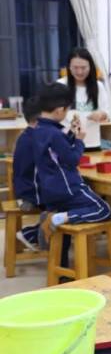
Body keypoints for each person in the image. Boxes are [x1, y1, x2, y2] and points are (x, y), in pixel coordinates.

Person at [32, 83, 111, 247]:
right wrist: (80, 141)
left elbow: (57, 152)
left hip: (50, 190)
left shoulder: (38, 130)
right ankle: (56, 218)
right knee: (103, 210)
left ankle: (61, 262)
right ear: (59, 110)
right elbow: (72, 159)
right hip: (67, 189)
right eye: (67, 110)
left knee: (65, 233)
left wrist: (72, 134)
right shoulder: (55, 134)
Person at [57, 47, 111, 150]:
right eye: (75, 68)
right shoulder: (60, 85)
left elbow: (106, 113)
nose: (79, 72)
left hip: (92, 144)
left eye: (83, 68)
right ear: (69, 67)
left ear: (90, 67)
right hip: (66, 144)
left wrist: (101, 115)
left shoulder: (98, 86)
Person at [12, 97, 41, 249]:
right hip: (30, 195)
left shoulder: (25, 136)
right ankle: (32, 234)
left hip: (24, 191)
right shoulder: (37, 139)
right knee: (67, 199)